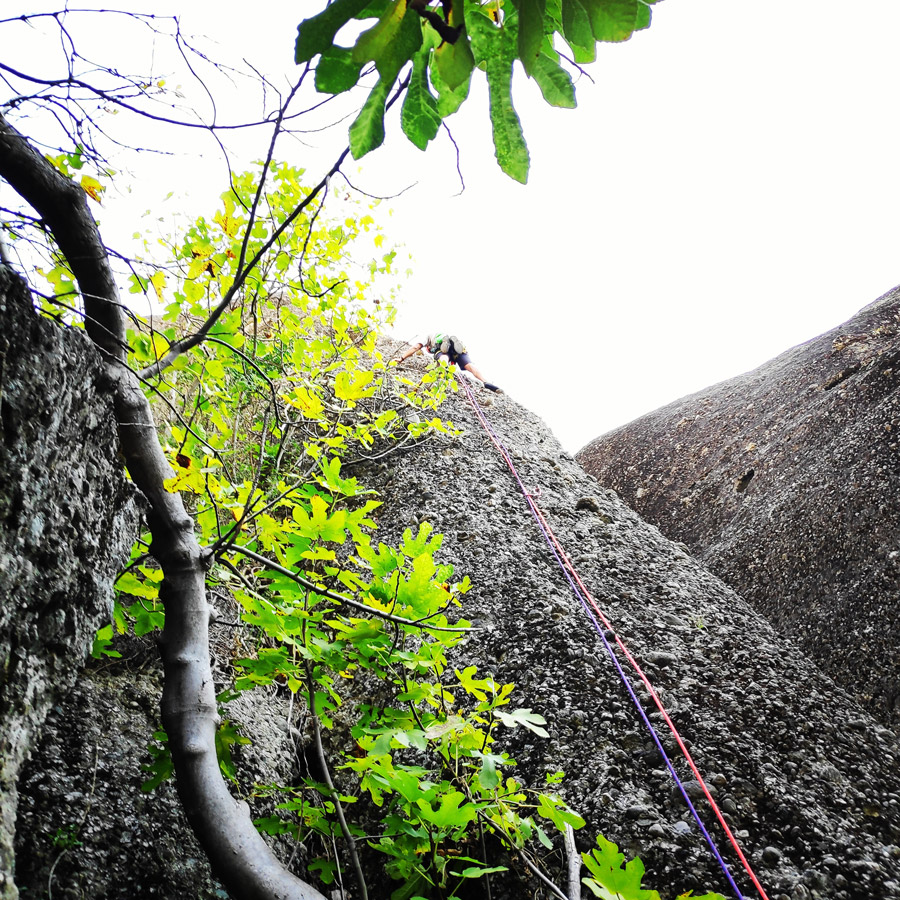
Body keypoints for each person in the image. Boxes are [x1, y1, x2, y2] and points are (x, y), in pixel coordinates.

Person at [394, 333, 502, 392]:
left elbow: (415, 347)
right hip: (459, 351)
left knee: (442, 356)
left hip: (442, 349)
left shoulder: (428, 338)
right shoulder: (439, 335)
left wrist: (401, 358)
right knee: (469, 365)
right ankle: (485, 381)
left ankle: (444, 364)